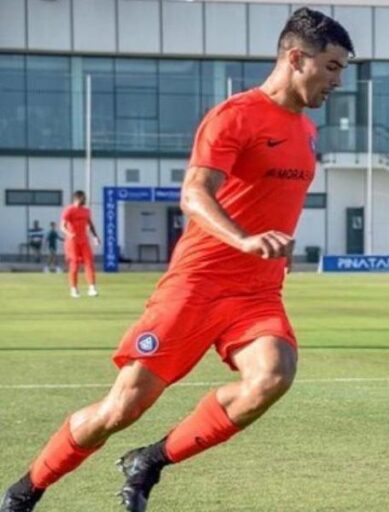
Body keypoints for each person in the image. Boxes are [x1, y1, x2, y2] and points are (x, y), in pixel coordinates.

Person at [0, 8, 353, 512]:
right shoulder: (235, 116)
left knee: (272, 376)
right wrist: (246, 239)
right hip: (197, 285)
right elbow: (193, 194)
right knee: (122, 408)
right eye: (333, 66)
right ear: (297, 58)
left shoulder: (307, 133)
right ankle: (25, 489)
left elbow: (269, 201)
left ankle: (150, 462)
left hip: (255, 293)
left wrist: (276, 249)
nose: (338, 80)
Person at [61, 191, 101, 298]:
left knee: (89, 263)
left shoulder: (86, 211)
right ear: (76, 199)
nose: (84, 201)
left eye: (84, 199)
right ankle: (74, 289)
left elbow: (90, 224)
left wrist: (95, 236)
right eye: (82, 199)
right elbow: (62, 226)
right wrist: (69, 234)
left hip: (84, 240)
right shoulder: (69, 210)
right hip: (72, 241)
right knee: (74, 264)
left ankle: (91, 288)